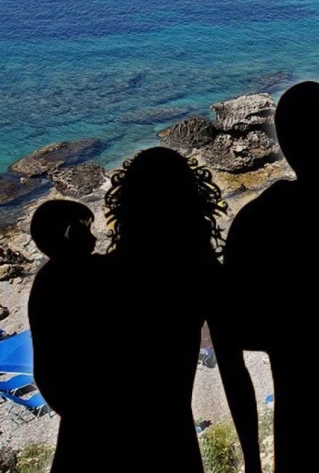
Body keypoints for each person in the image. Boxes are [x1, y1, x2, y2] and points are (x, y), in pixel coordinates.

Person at [218, 81, 319, 472]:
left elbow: (231, 341)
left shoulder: (256, 222)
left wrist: (252, 460)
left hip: (301, 429)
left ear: (283, 142)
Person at [99, 146, 235, 472]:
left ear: (124, 204)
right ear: (196, 204)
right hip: (175, 442)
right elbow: (234, 371)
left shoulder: (94, 276)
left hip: (97, 442)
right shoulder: (202, 276)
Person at [28, 199, 99, 472]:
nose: (94, 238)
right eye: (84, 230)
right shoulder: (90, 273)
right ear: (69, 236)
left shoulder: (46, 280)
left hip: (73, 411)